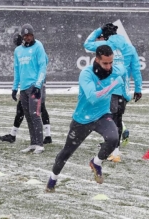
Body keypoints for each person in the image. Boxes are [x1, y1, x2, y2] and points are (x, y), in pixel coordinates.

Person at [45, 45, 128, 193]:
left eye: (111, 63)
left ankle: (96, 163)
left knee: (114, 138)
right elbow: (92, 97)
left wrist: (126, 93)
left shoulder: (115, 70)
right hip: (82, 119)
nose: (109, 67)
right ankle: (52, 179)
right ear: (97, 60)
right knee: (66, 153)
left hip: (103, 115)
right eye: (105, 63)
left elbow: (124, 70)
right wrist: (114, 84)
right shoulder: (86, 74)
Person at [84, 23, 142, 162]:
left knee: (106, 119)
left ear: (105, 35)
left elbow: (87, 44)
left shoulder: (105, 45)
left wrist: (99, 29)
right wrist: (138, 89)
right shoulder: (129, 47)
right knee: (117, 119)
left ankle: (113, 149)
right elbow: (136, 69)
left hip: (107, 88)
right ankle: (114, 149)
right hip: (122, 89)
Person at [0, 32, 52, 145]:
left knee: (38, 108)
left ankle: (44, 137)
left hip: (38, 82)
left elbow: (44, 62)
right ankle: (44, 136)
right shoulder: (21, 50)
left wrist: (38, 81)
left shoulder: (37, 48)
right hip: (30, 83)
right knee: (34, 109)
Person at [12, 24, 48, 154]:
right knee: (27, 116)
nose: (27, 37)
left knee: (35, 115)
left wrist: (38, 85)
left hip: (34, 86)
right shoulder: (18, 51)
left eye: (30, 35)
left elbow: (42, 67)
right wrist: (15, 88)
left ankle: (40, 144)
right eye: (25, 35)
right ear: (22, 37)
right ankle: (33, 143)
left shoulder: (38, 46)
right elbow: (17, 70)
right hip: (24, 87)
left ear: (33, 35)